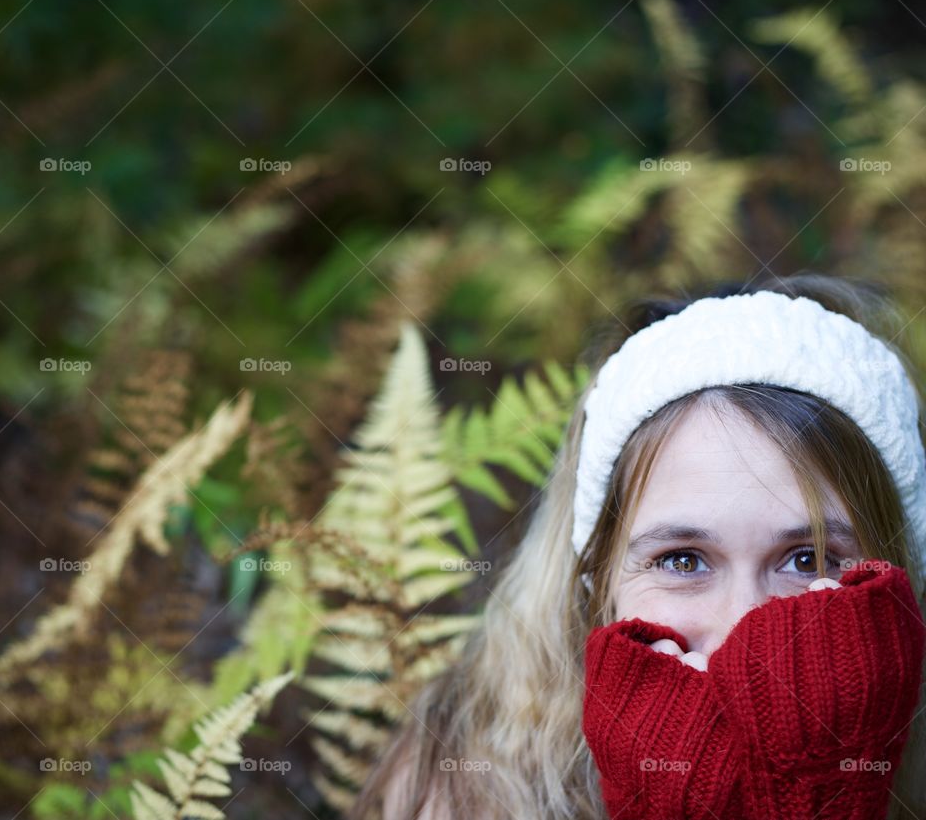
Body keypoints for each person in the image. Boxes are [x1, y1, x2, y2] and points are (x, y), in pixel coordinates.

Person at [348, 272, 926, 820]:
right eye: (683, 561)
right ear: (595, 578)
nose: (741, 629)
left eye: (810, 560)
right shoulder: (460, 792)